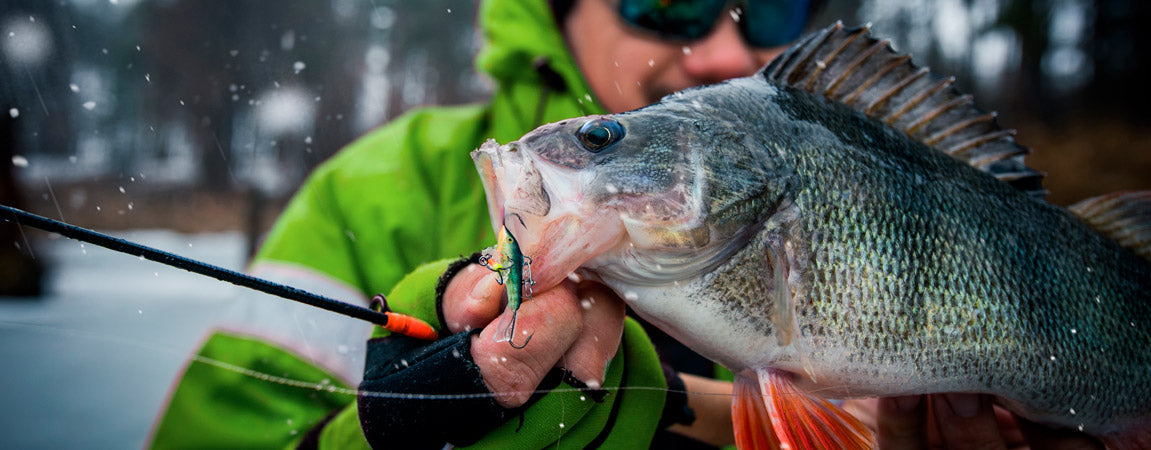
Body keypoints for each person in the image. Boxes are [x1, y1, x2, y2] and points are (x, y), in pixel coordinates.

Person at [151, 1, 1101, 449]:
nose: (725, 43)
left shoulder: (844, 152)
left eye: (771, 3)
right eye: (672, 2)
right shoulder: (377, 194)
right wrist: (390, 438)